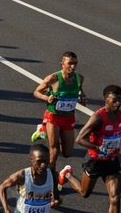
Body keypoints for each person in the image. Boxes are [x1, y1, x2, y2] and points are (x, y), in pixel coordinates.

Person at [66, 85, 121, 213]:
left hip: (112, 161)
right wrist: (97, 148)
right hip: (95, 161)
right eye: (114, 100)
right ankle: (67, 175)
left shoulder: (120, 115)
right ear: (105, 99)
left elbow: (115, 132)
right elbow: (80, 139)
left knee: (115, 198)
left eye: (120, 99)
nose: (118, 103)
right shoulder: (98, 117)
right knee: (84, 192)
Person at [32, 51, 86, 188]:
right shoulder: (54, 78)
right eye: (70, 63)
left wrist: (82, 98)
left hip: (68, 118)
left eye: (75, 63)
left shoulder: (79, 78)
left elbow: (80, 91)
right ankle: (50, 183)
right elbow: (36, 92)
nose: (73, 66)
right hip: (53, 116)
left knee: (67, 153)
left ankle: (62, 173)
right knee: (54, 150)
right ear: (62, 64)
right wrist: (47, 98)